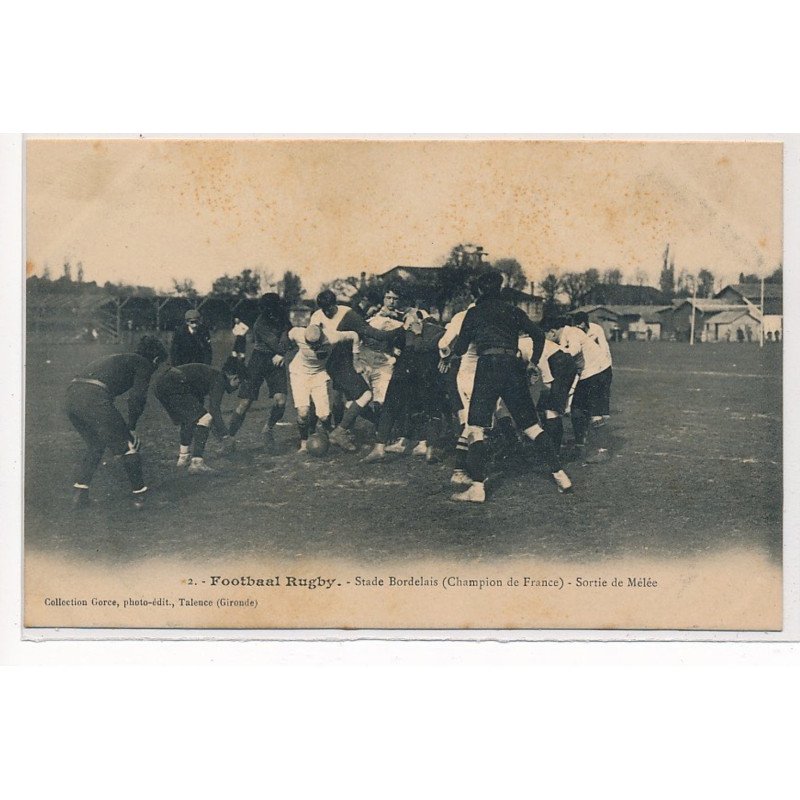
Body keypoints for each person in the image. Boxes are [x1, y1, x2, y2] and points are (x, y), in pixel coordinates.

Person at [448, 270, 572, 503]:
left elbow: (461, 347)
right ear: (501, 288)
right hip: (513, 366)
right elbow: (538, 335)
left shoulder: (475, 312)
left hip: (489, 366)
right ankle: (561, 475)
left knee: (476, 427)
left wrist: (450, 355)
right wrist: (533, 362)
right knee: (531, 426)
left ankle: (477, 488)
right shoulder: (513, 311)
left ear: (480, 290)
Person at [65, 335, 168, 509]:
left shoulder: (120, 357)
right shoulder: (143, 363)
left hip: (71, 398)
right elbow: (137, 398)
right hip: (93, 398)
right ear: (156, 359)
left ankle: (79, 494)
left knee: (96, 444)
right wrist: (131, 428)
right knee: (128, 446)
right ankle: (141, 497)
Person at [308, 290, 400, 452]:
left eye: (330, 308)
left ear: (335, 304)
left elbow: (373, 333)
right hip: (331, 363)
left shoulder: (348, 315)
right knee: (349, 399)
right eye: (324, 309)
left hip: (345, 361)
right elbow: (312, 335)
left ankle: (343, 431)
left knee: (354, 400)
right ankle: (341, 431)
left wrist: (400, 330)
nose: (327, 312)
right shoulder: (317, 316)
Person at [363, 309, 447, 464]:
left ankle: (380, 447)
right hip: (427, 372)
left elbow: (395, 346)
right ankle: (430, 449)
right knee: (432, 409)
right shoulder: (439, 331)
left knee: (390, 406)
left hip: (406, 369)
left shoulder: (410, 330)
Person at [154, 358, 243, 473]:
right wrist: (225, 435)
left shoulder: (210, 375)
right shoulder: (219, 379)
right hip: (174, 385)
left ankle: (183, 458)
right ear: (234, 377)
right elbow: (214, 410)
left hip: (161, 385)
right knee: (206, 418)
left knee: (190, 419)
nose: (237, 386)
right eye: (239, 382)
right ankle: (197, 462)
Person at [227, 294, 290, 448]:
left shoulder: (282, 316)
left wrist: (281, 350)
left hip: (276, 361)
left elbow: (288, 334)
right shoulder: (260, 324)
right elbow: (277, 344)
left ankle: (268, 429)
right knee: (245, 403)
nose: (270, 312)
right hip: (259, 360)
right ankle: (228, 437)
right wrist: (282, 350)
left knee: (281, 401)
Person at [287, 323, 359, 452]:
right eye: (310, 344)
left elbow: (354, 335)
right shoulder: (297, 333)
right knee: (303, 412)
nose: (313, 347)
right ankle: (304, 442)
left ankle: (332, 435)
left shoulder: (333, 337)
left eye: (316, 344)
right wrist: (280, 353)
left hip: (319, 375)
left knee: (324, 416)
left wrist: (356, 358)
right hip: (299, 374)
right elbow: (287, 336)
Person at [549, 316, 610, 463]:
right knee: (577, 410)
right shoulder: (565, 336)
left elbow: (574, 350)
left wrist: (557, 353)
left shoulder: (572, 332)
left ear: (552, 332)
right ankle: (579, 447)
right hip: (587, 374)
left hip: (598, 372)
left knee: (595, 412)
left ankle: (602, 451)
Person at [519, 328, 578, 455]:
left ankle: (554, 452)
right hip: (556, 364)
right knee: (544, 407)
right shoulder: (518, 345)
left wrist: (548, 385)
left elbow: (541, 363)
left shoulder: (522, 346)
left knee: (551, 409)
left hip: (561, 364)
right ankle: (548, 448)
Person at [572, 311, 613, 423]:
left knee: (602, 387)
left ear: (584, 323)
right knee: (589, 388)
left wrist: (606, 363)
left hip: (600, 362)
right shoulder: (574, 332)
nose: (578, 326)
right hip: (585, 363)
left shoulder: (596, 329)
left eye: (580, 323)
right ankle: (591, 413)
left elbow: (604, 346)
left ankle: (602, 413)